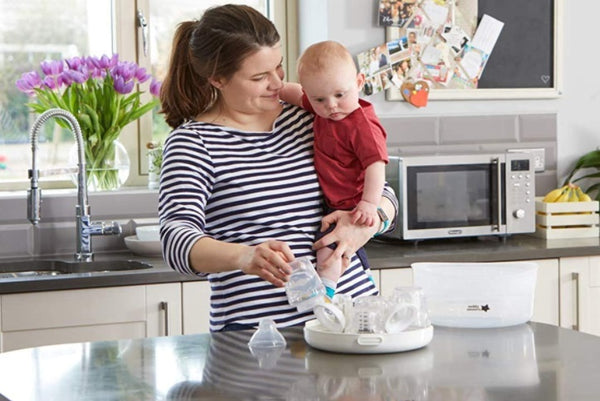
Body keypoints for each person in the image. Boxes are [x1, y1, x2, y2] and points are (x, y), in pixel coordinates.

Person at [158, 4, 397, 332]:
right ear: (218, 79)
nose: (276, 83)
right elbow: (176, 240)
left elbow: (384, 193)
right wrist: (244, 257)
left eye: (279, 68)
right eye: (259, 77)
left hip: (352, 321)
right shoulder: (194, 143)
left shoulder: (310, 116)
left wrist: (365, 225)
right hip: (260, 334)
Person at [278, 41, 389, 299]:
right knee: (334, 245)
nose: (331, 105)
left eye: (340, 95)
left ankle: (325, 292)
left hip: (354, 203)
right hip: (334, 202)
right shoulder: (322, 109)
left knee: (326, 250)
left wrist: (369, 205)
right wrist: (278, 89)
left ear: (359, 82)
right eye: (320, 99)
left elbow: (376, 165)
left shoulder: (361, 124)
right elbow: (297, 95)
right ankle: (355, 269)